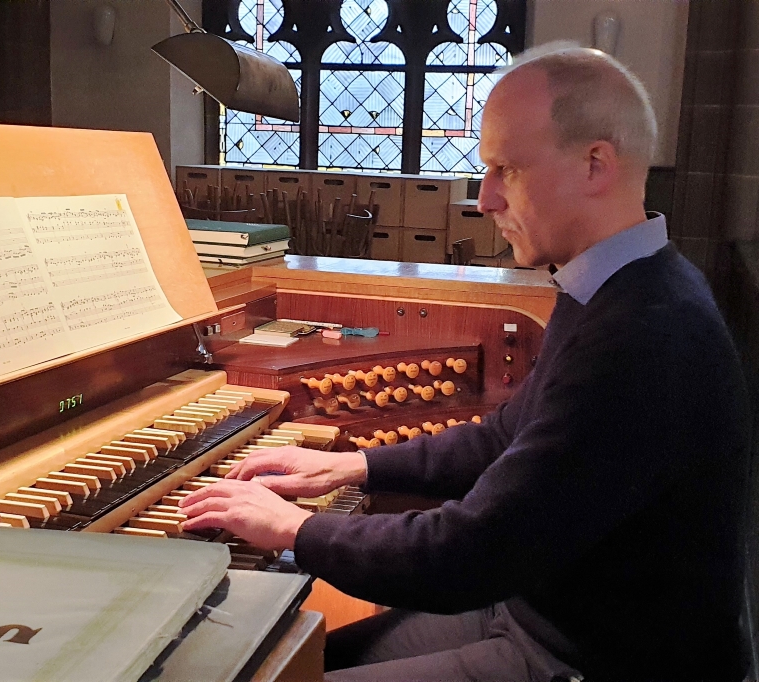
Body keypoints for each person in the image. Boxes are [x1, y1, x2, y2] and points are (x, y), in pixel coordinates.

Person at [179, 45, 751, 682]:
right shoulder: (608, 283)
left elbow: (472, 553)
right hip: (537, 608)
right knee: (302, 661)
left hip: (593, 657)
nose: (485, 199)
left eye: (506, 169)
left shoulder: (645, 332)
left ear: (595, 164)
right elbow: (505, 436)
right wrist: (354, 465)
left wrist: (295, 530)